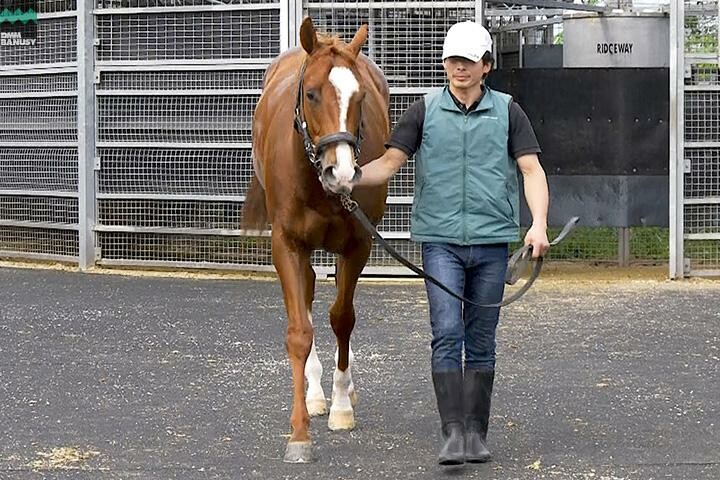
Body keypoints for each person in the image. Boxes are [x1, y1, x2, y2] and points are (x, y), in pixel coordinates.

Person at [357, 21, 550, 465]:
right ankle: (452, 433)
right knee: (446, 332)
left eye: (467, 60)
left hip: (492, 242)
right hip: (440, 241)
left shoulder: (508, 111)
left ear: (486, 65)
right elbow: (389, 163)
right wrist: (349, 178)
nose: (458, 67)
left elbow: (531, 171)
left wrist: (538, 223)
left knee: (481, 339)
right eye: (451, 59)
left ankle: (476, 434)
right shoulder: (423, 110)